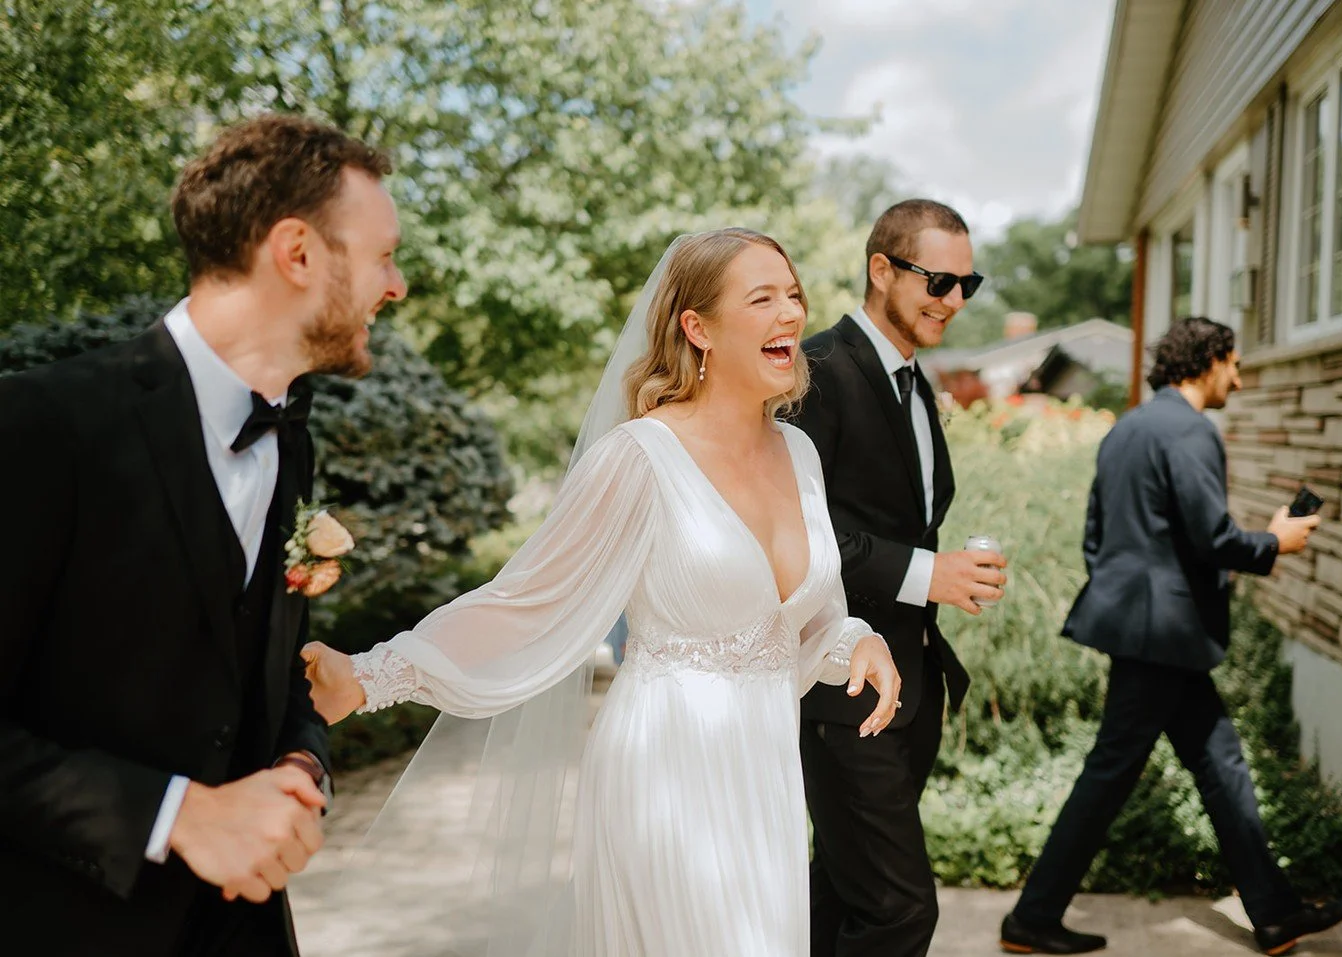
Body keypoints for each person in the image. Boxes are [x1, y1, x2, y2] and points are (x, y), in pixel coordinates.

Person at [302, 228, 904, 956]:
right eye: (762, 298)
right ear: (697, 327)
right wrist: (366, 677)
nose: (790, 314)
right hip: (664, 773)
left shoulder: (800, 452)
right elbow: (526, 602)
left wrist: (857, 640)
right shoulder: (640, 457)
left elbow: (809, 624)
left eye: (794, 295)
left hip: (764, 774)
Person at [0, 113, 407, 956]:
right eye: (384, 256)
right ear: (296, 253)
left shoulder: (291, 434)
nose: (394, 286)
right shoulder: (43, 425)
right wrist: (177, 813)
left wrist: (301, 764)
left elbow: (262, 667)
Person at [999, 317, 1342, 956]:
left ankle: (1274, 915)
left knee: (1221, 766)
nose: (1240, 378)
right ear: (1209, 361)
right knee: (1111, 773)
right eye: (1235, 364)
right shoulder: (1192, 432)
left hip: (1149, 631)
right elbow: (1211, 539)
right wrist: (1278, 541)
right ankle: (1031, 917)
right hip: (1162, 634)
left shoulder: (1128, 427)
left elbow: (1096, 537)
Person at [792, 198, 1006, 957]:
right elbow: (793, 528)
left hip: (909, 690)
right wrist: (927, 573)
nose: (952, 300)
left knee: (838, 892)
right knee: (899, 912)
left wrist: (942, 578)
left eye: (964, 284)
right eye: (936, 281)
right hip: (838, 688)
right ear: (880, 269)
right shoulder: (816, 371)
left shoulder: (917, 382)